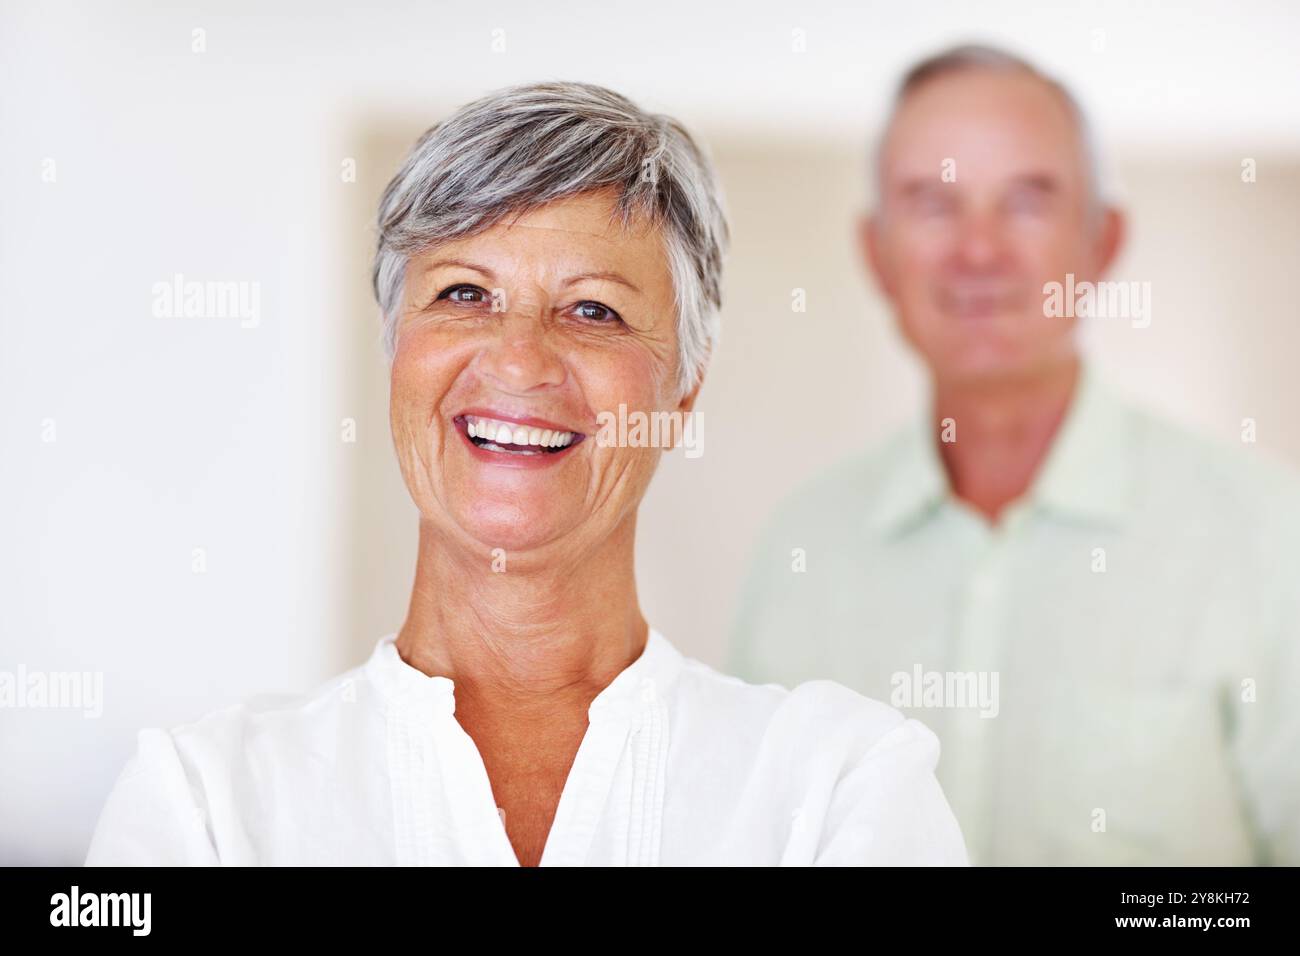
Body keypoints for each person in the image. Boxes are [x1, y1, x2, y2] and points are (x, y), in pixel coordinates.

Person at [85, 81, 967, 866]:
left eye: (594, 310)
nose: (519, 361)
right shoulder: (205, 806)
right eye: (463, 293)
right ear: (397, 351)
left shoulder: (837, 790)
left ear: (682, 390)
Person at [727, 45, 1300, 865]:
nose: (979, 250)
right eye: (933, 203)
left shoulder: (1273, 538)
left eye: (1027, 202)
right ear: (876, 255)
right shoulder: (800, 551)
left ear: (1103, 243)